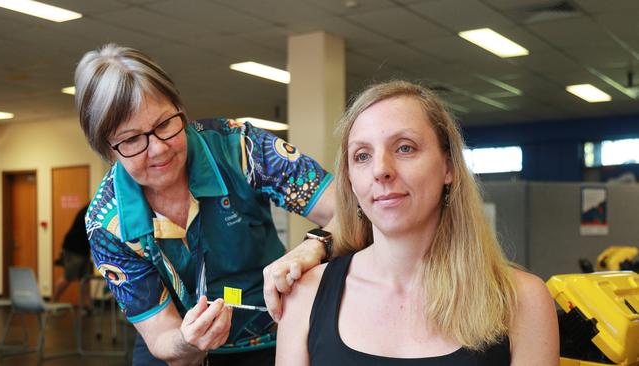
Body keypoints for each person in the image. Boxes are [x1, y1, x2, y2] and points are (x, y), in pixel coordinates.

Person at [75, 43, 334, 366]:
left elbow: (351, 208)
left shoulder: (241, 148)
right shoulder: (107, 224)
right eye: (132, 140)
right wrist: (188, 342)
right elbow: (161, 335)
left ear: (180, 108)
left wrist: (317, 245)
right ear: (107, 150)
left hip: (270, 336)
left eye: (165, 124)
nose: (158, 149)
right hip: (178, 347)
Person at [276, 80, 559, 365]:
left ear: (448, 167)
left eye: (404, 148)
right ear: (350, 179)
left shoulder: (521, 301)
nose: (381, 170)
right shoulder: (306, 295)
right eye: (362, 155)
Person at [52, 203, 92, 312]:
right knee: (68, 277)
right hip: (74, 248)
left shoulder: (92, 207)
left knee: (85, 278)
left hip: (83, 249)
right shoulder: (93, 208)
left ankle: (86, 306)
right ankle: (52, 305)